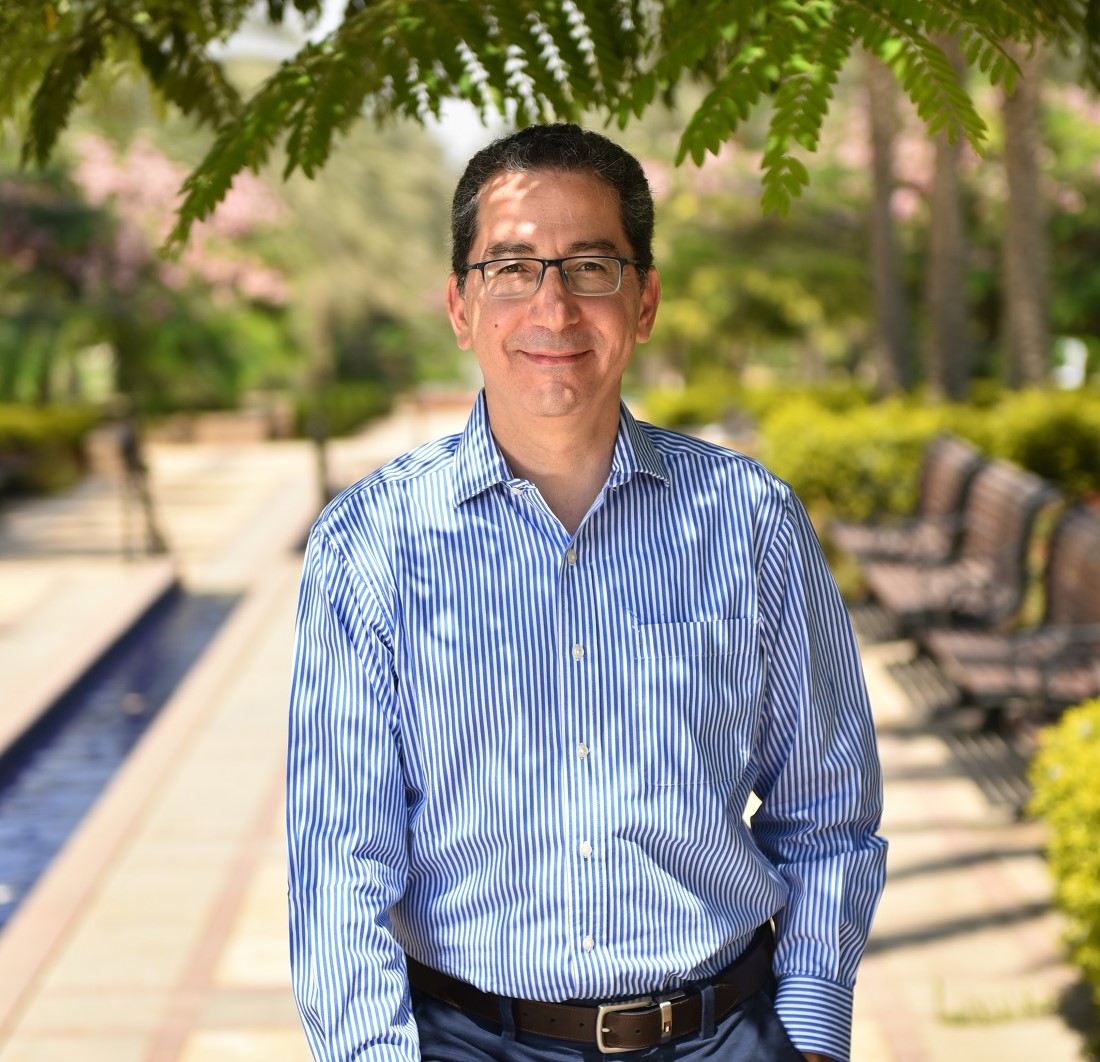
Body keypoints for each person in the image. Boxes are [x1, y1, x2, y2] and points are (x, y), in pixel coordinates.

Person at [287, 123, 887, 1062]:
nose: (553, 308)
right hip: (466, 1040)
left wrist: (809, 1032)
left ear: (643, 301)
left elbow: (829, 808)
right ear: (459, 306)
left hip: (721, 1033)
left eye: (591, 267)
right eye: (513, 268)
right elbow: (339, 867)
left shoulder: (750, 521)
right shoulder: (370, 547)